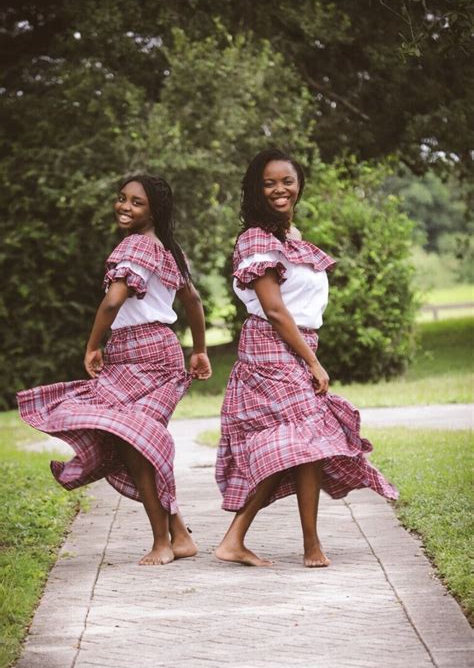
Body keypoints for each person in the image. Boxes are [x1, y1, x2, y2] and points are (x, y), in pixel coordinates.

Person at [215, 149, 398, 568]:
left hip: (297, 346)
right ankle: (308, 545)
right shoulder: (256, 241)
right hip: (270, 350)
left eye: (287, 181)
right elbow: (276, 311)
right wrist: (313, 363)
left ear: (299, 185)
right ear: (255, 190)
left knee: (300, 448)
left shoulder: (291, 238)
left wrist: (310, 355)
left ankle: (239, 540)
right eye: (268, 183)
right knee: (308, 444)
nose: (279, 189)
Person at [17, 174, 212, 566]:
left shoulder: (137, 246)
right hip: (157, 350)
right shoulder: (169, 250)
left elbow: (112, 302)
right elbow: (192, 301)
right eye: (121, 198)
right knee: (133, 440)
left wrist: (92, 345)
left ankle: (162, 543)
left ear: (154, 210)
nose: (124, 206)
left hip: (143, 354)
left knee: (137, 442)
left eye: (136, 202)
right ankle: (179, 535)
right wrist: (199, 351)